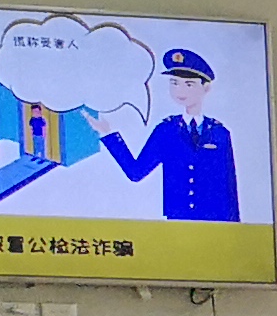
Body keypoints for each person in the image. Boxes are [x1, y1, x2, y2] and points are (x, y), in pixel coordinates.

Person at [101, 44, 244, 219]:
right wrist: (108, 134)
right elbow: (136, 172)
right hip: (177, 221)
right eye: (174, 83)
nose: (180, 91)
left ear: (206, 88)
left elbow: (229, 188)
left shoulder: (220, 133)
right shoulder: (166, 130)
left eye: (189, 84)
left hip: (215, 221)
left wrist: (235, 230)